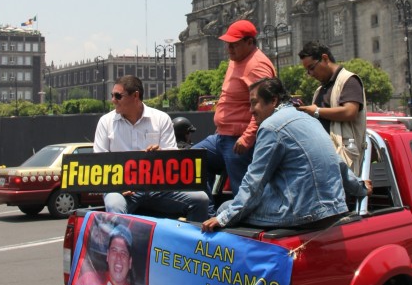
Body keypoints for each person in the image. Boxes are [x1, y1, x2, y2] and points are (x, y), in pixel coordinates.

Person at [202, 77, 348, 230]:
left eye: (253, 103)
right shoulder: (310, 120)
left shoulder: (271, 126)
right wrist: (360, 187)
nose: (250, 110)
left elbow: (254, 181)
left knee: (225, 208)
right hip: (334, 209)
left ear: (273, 100)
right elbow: (337, 161)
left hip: (300, 213)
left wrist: (224, 218)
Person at [95, 75, 208, 221]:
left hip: (157, 189)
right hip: (120, 190)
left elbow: (172, 158)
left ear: (135, 95)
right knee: (115, 207)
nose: (113, 100)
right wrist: (119, 186)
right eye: (112, 95)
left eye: (118, 96)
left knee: (201, 199)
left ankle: (189, 242)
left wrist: (161, 154)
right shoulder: (105, 122)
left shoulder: (161, 118)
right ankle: (121, 244)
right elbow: (99, 162)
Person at [193, 20, 276, 200]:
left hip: (239, 139)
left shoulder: (258, 65)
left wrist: (248, 137)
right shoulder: (236, 59)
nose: (229, 49)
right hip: (223, 136)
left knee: (243, 192)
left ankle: (247, 225)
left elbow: (265, 107)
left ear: (250, 42)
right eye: (228, 44)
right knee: (193, 162)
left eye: (234, 44)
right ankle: (206, 211)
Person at [297, 41, 367, 175]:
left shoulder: (349, 80)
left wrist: (316, 111)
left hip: (343, 161)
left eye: (312, 67)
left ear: (325, 58)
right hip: (324, 161)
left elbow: (349, 111)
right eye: (307, 70)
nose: (310, 73)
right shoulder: (320, 89)